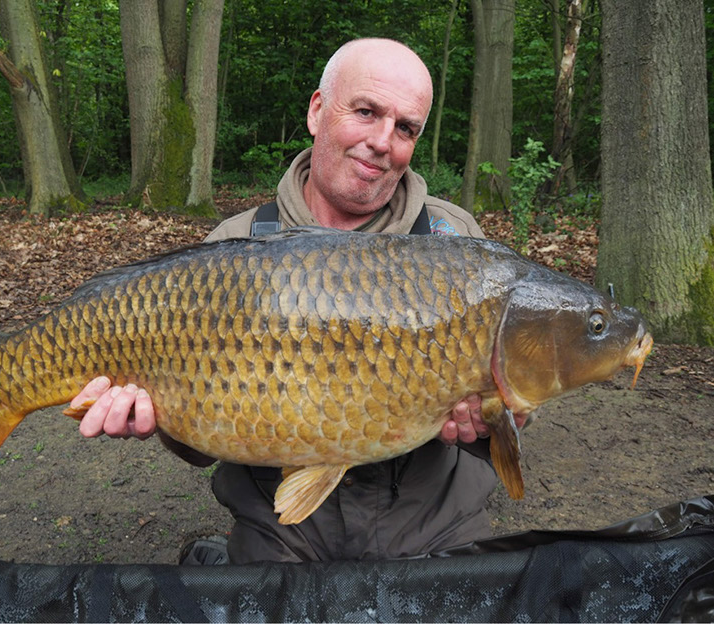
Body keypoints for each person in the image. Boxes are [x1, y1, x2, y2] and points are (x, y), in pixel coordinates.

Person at [71, 38, 523, 563]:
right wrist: (155, 419)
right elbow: (198, 445)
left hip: (437, 528)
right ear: (316, 110)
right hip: (281, 536)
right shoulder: (233, 246)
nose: (383, 141)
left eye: (406, 128)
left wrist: (495, 417)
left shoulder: (454, 242)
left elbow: (509, 394)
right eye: (366, 111)